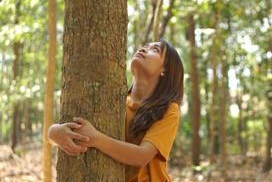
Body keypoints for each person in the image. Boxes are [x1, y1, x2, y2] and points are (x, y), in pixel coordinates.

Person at [48, 38, 184, 182]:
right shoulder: (116, 101)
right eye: (145, 46)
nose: (143, 49)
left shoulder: (169, 109)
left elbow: (142, 156)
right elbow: (76, 130)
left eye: (155, 49)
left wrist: (95, 139)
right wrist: (53, 133)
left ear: (165, 70)